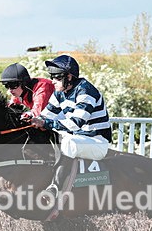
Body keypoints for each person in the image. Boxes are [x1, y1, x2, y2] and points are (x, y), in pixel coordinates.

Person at [30, 54, 112, 197]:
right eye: (51, 76)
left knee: (67, 142)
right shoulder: (59, 92)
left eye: (56, 77)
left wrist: (45, 123)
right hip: (79, 139)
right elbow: (46, 115)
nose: (52, 81)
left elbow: (75, 123)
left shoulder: (86, 91)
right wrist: (31, 119)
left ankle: (55, 186)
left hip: (97, 142)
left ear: (68, 77)